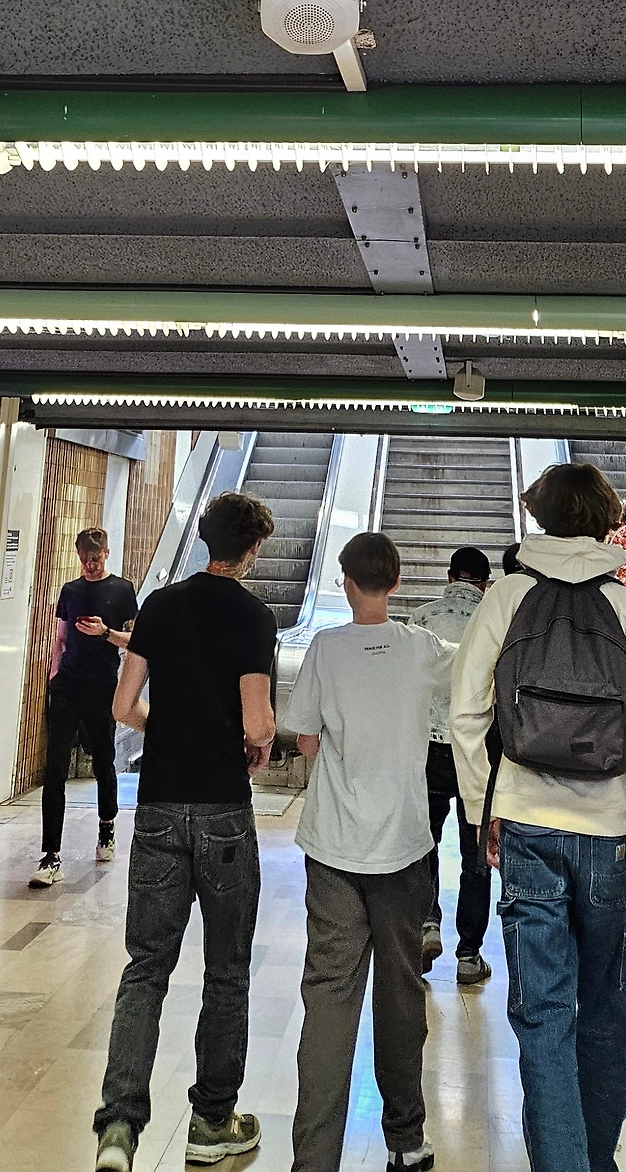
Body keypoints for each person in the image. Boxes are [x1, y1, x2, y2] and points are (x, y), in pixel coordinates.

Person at [451, 462, 626, 1172]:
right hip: (610, 837)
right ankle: (593, 1158)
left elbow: (465, 714)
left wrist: (483, 807)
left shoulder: (507, 597)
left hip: (527, 826)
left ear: (540, 517)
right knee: (608, 1015)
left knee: (543, 1017)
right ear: (607, 520)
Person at [93, 492, 278, 1172]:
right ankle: (211, 1122)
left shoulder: (161, 606)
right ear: (251, 548)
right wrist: (255, 743)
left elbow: (123, 705)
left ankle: (118, 1126)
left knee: (146, 967)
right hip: (223, 807)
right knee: (226, 970)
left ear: (204, 539)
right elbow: (257, 722)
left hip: (159, 807)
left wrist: (165, 728)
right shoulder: (254, 615)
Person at [284, 530, 452, 1172]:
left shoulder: (325, 648)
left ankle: (314, 1158)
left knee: (329, 997)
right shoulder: (419, 646)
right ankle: (406, 1141)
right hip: (403, 847)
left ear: (346, 582)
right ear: (398, 582)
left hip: (333, 847)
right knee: (401, 993)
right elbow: (474, 666)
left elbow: (304, 738)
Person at [30, 526, 137, 887]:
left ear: (107, 553)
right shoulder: (70, 591)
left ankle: (107, 826)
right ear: (78, 556)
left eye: (97, 557)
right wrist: (53, 672)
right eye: (85, 558)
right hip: (67, 687)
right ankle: (50, 855)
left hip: (102, 687)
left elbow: (135, 641)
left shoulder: (122, 590)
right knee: (55, 769)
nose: (91, 564)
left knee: (104, 761)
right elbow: (60, 638)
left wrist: (105, 632)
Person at [409, 544, 493, 984]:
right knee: (475, 852)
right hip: (475, 752)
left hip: (426, 749)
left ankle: (426, 924)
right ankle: (469, 955)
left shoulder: (420, 620)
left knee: (424, 843)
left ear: (448, 577)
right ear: (485, 583)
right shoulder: (494, 621)